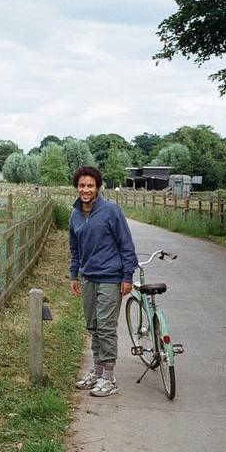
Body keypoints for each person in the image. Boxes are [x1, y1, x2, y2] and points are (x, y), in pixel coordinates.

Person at [68, 166, 138, 397]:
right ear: (76, 187)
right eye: (81, 185)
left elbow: (126, 244)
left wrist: (127, 275)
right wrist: (73, 275)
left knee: (106, 328)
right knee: (93, 327)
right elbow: (75, 249)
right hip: (88, 278)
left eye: (90, 185)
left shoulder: (111, 211)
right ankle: (97, 373)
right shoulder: (75, 215)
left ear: (97, 187)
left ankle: (109, 377)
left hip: (110, 278)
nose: (85, 190)